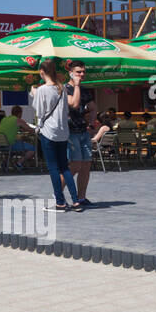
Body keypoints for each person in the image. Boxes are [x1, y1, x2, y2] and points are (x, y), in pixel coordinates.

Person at [30, 58, 82, 211]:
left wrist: (34, 94)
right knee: (65, 167)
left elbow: (39, 111)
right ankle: (76, 200)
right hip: (63, 132)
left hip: (49, 132)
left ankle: (60, 201)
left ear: (42, 72)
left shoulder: (42, 90)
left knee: (53, 168)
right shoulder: (61, 88)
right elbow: (66, 109)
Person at [64, 60, 96, 205]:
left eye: (83, 71)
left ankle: (81, 197)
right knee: (75, 165)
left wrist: (90, 123)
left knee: (86, 165)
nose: (82, 74)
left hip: (83, 131)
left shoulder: (85, 90)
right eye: (78, 71)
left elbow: (93, 107)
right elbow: (74, 104)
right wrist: (76, 85)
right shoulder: (64, 89)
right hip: (70, 132)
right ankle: (58, 194)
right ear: (70, 72)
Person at [0, 105, 37, 171]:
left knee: (12, 148)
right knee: (33, 149)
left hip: (1, 145)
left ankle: (5, 162)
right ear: (20, 113)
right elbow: (30, 129)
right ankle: (19, 163)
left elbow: (10, 129)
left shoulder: (4, 119)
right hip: (10, 145)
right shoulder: (18, 120)